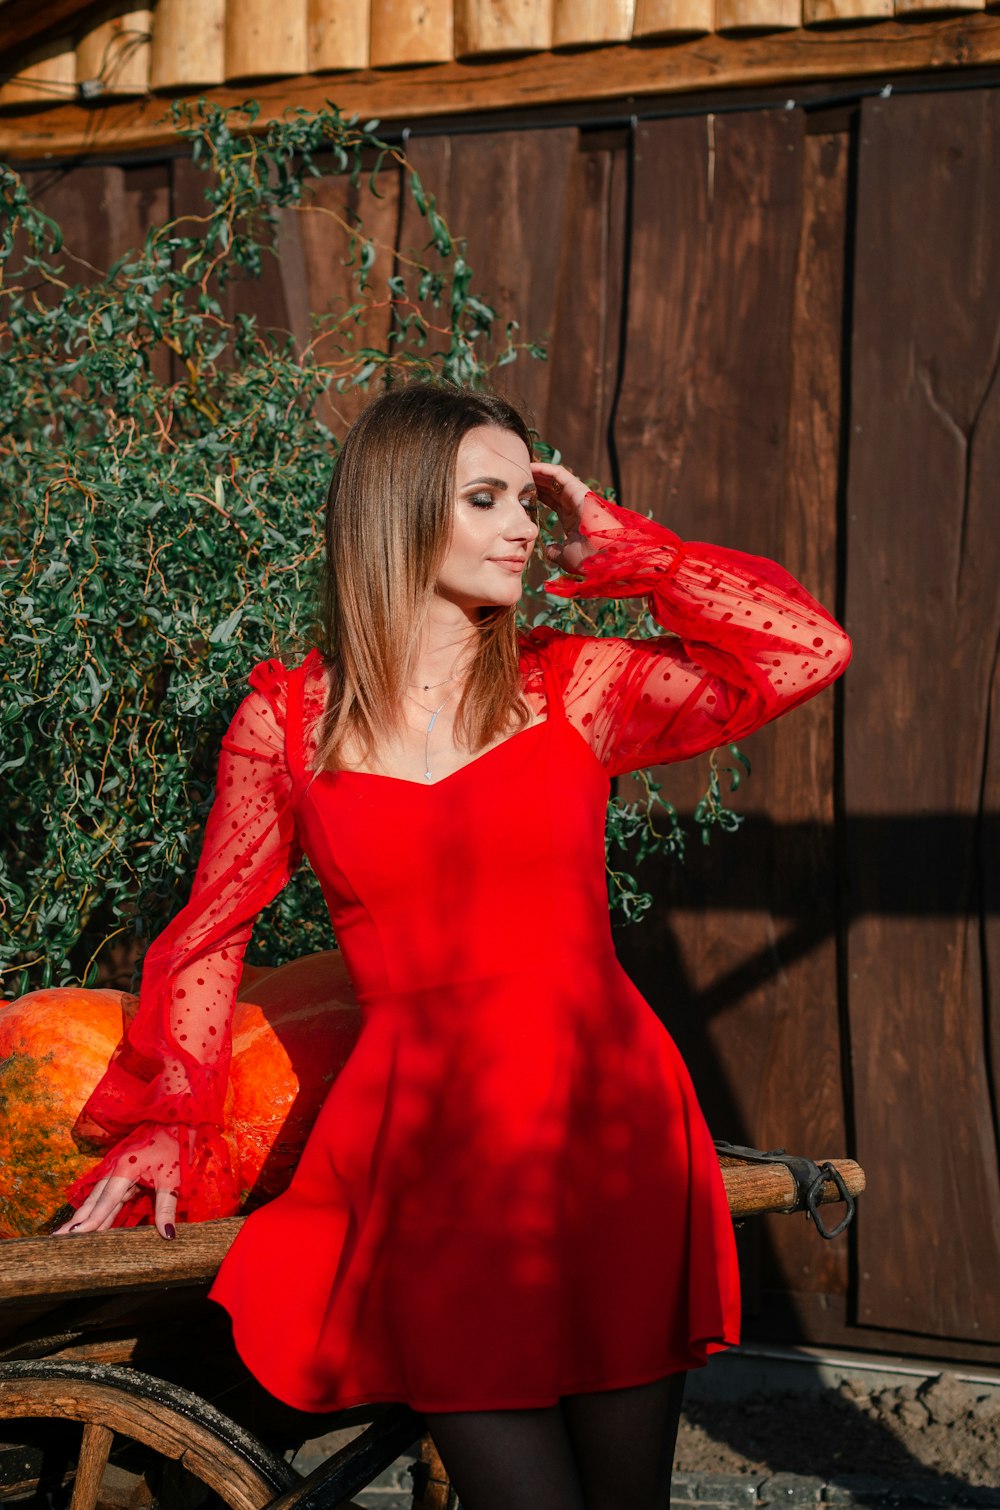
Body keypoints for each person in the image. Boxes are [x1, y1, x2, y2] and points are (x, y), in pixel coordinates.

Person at [53, 383, 852, 1510]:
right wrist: (167, 1118)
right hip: (432, 1147)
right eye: (488, 498)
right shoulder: (286, 723)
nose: (525, 527)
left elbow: (805, 649)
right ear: (397, 510)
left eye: (527, 499)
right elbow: (210, 930)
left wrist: (634, 554)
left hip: (605, 1118)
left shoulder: (573, 687)